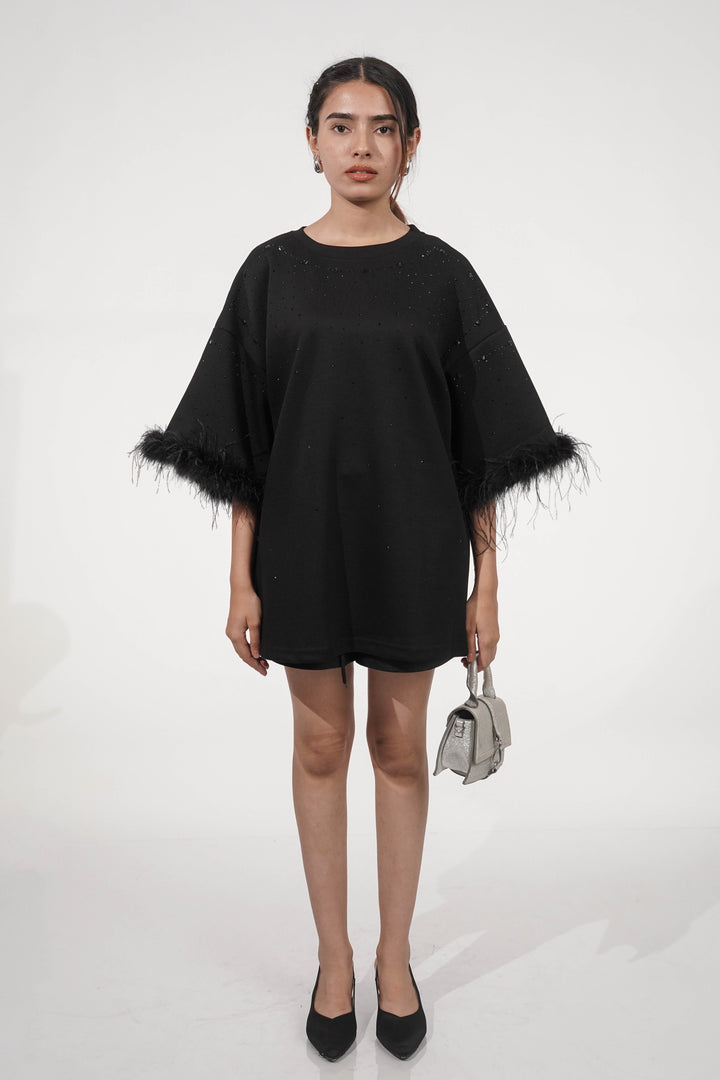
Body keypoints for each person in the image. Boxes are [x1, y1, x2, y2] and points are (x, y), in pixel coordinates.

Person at [129, 56, 593, 1062]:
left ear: (412, 145)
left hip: (416, 541)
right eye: (340, 126)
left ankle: (394, 959)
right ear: (310, 141)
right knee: (317, 745)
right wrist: (239, 574)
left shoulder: (443, 276)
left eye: (383, 127)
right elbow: (240, 437)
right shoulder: (269, 272)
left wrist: (488, 582)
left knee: (397, 745)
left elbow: (483, 443)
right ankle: (333, 959)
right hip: (298, 540)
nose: (362, 146)